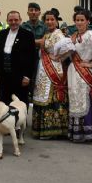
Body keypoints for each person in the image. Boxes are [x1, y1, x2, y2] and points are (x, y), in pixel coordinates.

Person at [63, 9, 92, 143]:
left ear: (88, 21)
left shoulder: (90, 35)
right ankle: (76, 131)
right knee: (75, 98)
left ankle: (87, 131)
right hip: (73, 71)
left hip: (84, 71)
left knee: (84, 98)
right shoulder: (74, 36)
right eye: (77, 20)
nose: (79, 22)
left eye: (82, 20)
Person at [31, 9, 70, 139]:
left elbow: (70, 49)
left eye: (52, 19)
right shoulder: (48, 34)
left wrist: (60, 57)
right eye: (47, 19)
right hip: (44, 68)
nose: (49, 22)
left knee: (51, 97)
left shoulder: (59, 34)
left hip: (54, 69)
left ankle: (54, 129)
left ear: (57, 21)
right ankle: (43, 129)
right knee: (43, 95)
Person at [0, 11, 36, 105]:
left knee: (20, 104)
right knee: (5, 103)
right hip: (4, 77)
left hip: (20, 78)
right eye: (11, 20)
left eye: (16, 20)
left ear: (20, 20)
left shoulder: (28, 35)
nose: (13, 22)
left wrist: (27, 76)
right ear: (7, 21)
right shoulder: (2, 34)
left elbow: (32, 57)